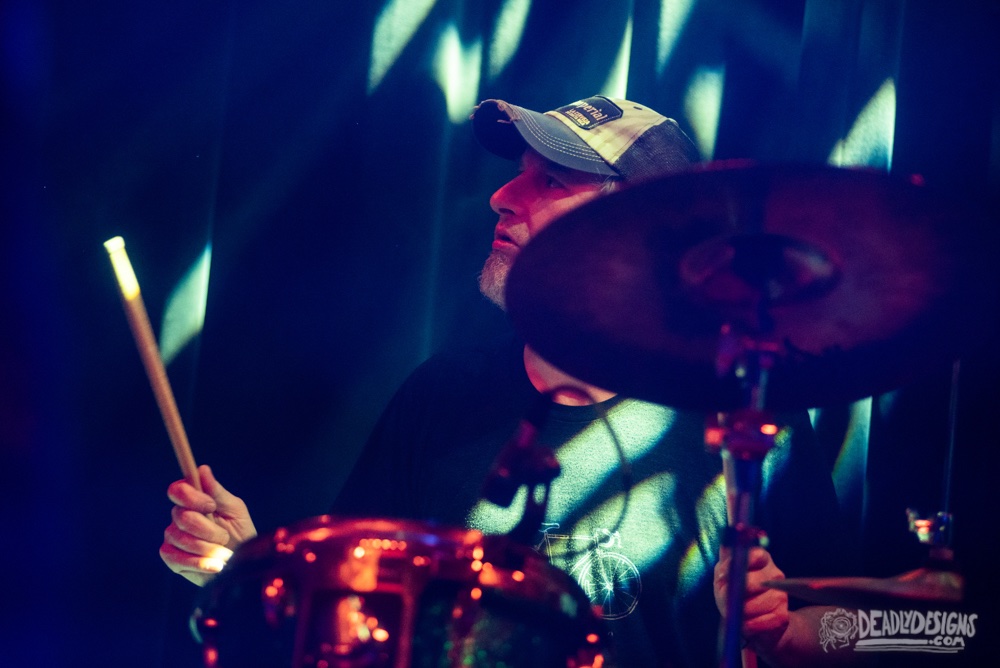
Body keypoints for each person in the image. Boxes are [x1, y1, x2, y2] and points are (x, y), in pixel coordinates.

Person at [161, 96, 851, 666]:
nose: (500, 196)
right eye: (518, 173)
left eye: (551, 181)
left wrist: (788, 632)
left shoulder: (747, 415)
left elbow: (890, 630)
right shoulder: (444, 393)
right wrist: (250, 567)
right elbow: (354, 619)